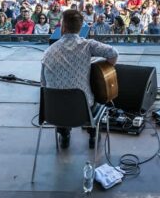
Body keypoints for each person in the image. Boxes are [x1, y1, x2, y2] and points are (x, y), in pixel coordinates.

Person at [40, 9, 118, 149]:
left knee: (60, 95)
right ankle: (93, 134)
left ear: (62, 28)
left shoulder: (48, 52)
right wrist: (103, 69)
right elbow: (113, 53)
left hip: (53, 111)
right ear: (81, 27)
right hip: (83, 111)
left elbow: (43, 84)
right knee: (96, 96)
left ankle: (64, 134)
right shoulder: (88, 45)